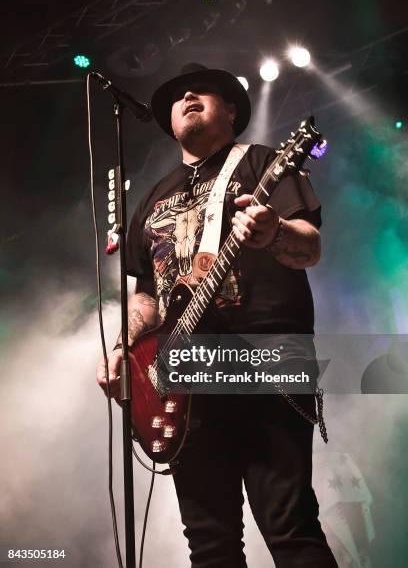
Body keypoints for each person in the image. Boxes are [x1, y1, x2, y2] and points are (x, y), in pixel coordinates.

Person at [96, 63, 339, 567]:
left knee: (288, 524)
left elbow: (310, 248)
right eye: (178, 94)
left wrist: (274, 233)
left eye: (203, 90)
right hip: (187, 377)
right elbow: (147, 297)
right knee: (209, 543)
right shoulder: (151, 198)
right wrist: (122, 349)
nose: (187, 94)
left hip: (265, 356)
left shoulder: (263, 163)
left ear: (230, 109)